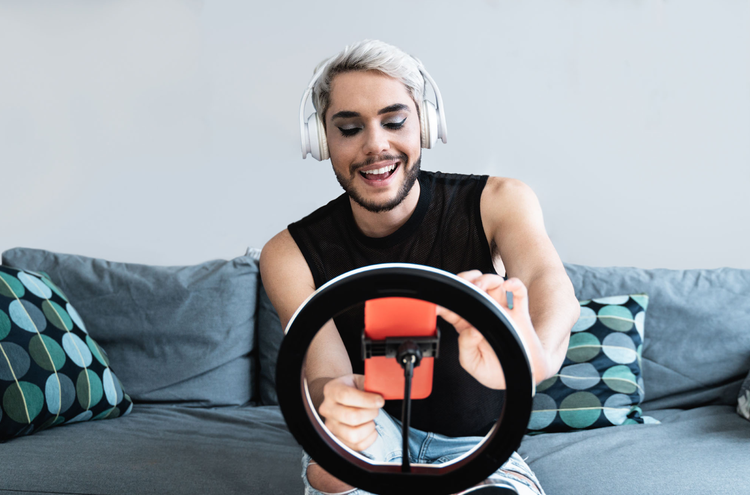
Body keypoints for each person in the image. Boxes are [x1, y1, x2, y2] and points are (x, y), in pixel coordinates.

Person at [260, 39, 580, 495]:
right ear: (321, 140)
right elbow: (321, 373)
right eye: (349, 129)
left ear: (425, 125)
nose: (376, 146)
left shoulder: (500, 201)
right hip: (377, 433)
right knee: (334, 470)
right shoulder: (288, 253)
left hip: (481, 444)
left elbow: (552, 288)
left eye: (394, 122)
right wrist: (340, 408)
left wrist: (531, 362)